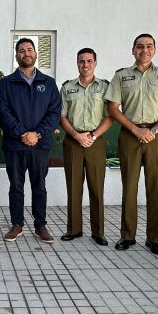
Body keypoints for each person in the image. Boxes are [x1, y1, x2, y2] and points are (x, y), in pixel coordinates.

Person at [106, 33, 158, 255]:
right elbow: (113, 108)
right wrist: (135, 129)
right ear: (133, 50)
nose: (144, 50)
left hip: (156, 136)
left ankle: (154, 238)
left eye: (149, 46)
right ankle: (127, 235)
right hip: (130, 134)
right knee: (129, 187)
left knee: (155, 188)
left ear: (154, 50)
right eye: (140, 46)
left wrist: (154, 130)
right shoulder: (121, 76)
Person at [0, 38, 62, 244]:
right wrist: (22, 133)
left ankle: (40, 225)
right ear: (17, 55)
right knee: (16, 185)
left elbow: (54, 113)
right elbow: (2, 112)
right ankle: (17, 224)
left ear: (35, 53)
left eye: (29, 49)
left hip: (40, 145)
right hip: (14, 145)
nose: (26, 53)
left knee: (39, 186)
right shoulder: (6, 83)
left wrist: (37, 134)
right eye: (22, 50)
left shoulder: (48, 83)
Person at [59, 48, 113, 246]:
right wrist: (76, 135)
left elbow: (110, 115)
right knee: (74, 187)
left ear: (95, 63)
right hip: (73, 141)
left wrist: (93, 135)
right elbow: (61, 116)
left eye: (89, 61)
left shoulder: (105, 87)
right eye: (81, 61)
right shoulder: (67, 87)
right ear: (77, 63)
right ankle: (74, 229)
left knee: (96, 187)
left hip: (95, 141)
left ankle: (98, 232)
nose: (85, 65)